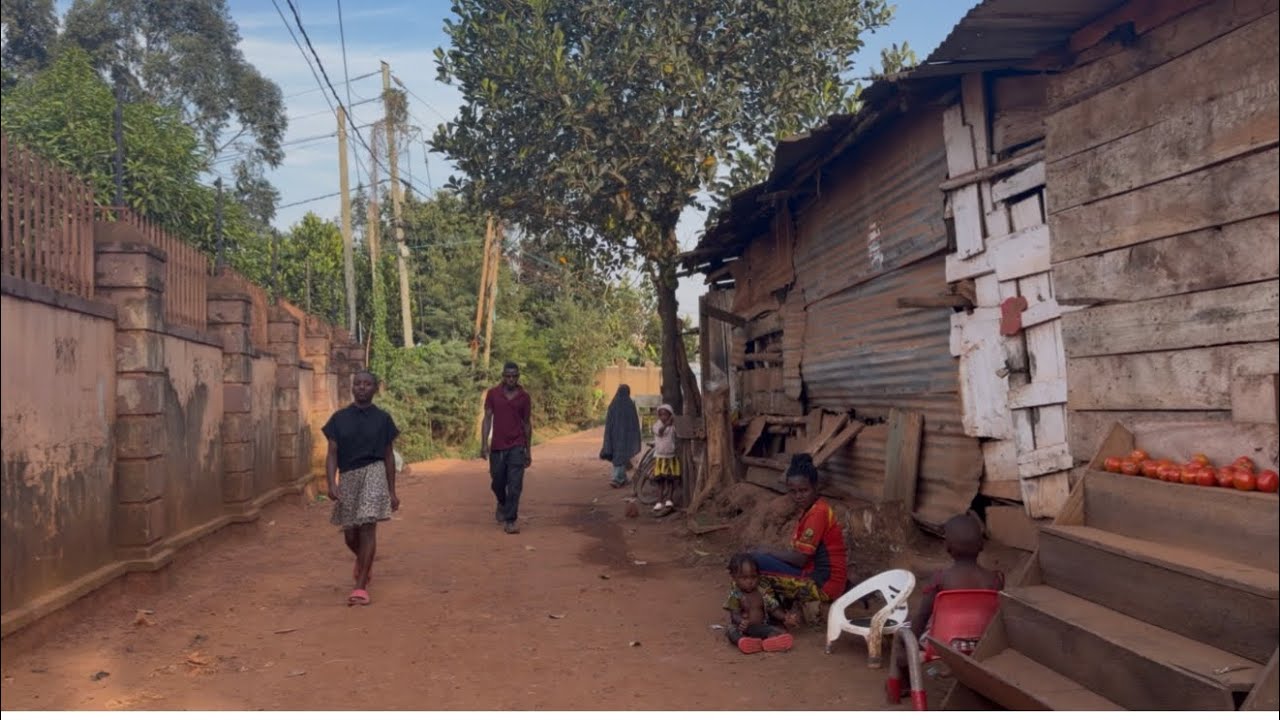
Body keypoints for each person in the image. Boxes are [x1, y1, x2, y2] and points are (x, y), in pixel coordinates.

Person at [324, 369, 401, 606]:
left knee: (367, 526)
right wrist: (331, 482)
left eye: (367, 384)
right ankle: (363, 560)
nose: (362, 387)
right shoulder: (338, 419)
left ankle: (360, 588)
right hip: (348, 476)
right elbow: (332, 454)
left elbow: (388, 456)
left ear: (375, 389)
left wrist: (391, 491)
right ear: (352, 387)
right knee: (350, 533)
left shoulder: (383, 419)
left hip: (374, 472)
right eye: (358, 383)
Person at [749, 453, 848, 619]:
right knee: (756, 558)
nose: (798, 496)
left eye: (804, 490)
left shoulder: (818, 513)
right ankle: (774, 612)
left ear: (816, 487)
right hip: (819, 576)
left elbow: (801, 559)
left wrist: (768, 552)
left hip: (822, 584)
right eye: (793, 491)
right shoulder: (813, 509)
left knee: (752, 560)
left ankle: (769, 615)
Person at [909, 512, 1004, 649]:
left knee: (905, 633)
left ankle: (901, 667)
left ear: (947, 547)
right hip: (982, 646)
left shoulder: (939, 579)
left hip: (944, 646)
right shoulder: (995, 580)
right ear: (982, 545)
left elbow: (923, 616)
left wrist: (907, 643)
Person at [481, 361, 532, 534]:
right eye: (508, 376)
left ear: (518, 377)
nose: (511, 379)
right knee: (497, 482)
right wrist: (483, 444)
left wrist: (528, 450)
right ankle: (502, 502)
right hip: (497, 446)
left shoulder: (524, 397)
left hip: (517, 446)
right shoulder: (493, 394)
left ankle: (511, 520)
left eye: (514, 376)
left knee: (515, 484)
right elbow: (487, 418)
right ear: (503, 376)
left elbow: (526, 424)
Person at [723, 553, 796, 654]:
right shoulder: (736, 594)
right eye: (744, 578)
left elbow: (773, 609)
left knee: (775, 630)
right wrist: (740, 621)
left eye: (753, 577)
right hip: (742, 629)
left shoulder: (762, 593)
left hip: (759, 627)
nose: (750, 581)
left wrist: (785, 617)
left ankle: (768, 642)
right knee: (731, 630)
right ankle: (743, 642)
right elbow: (734, 613)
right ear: (734, 577)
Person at [600, 384, 641, 488]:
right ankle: (618, 478)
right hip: (626, 436)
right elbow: (634, 422)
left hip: (614, 435)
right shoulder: (629, 404)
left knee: (618, 455)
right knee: (622, 455)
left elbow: (609, 422)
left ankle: (620, 478)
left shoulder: (613, 404)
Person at [651, 404, 680, 515]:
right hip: (660, 458)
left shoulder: (673, 427)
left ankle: (669, 499)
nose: (663, 417)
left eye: (666, 414)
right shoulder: (656, 426)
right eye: (661, 414)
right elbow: (661, 432)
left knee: (671, 480)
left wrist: (673, 423)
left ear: (670, 415)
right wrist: (667, 424)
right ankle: (659, 501)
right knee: (660, 481)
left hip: (671, 457)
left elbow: (677, 436)